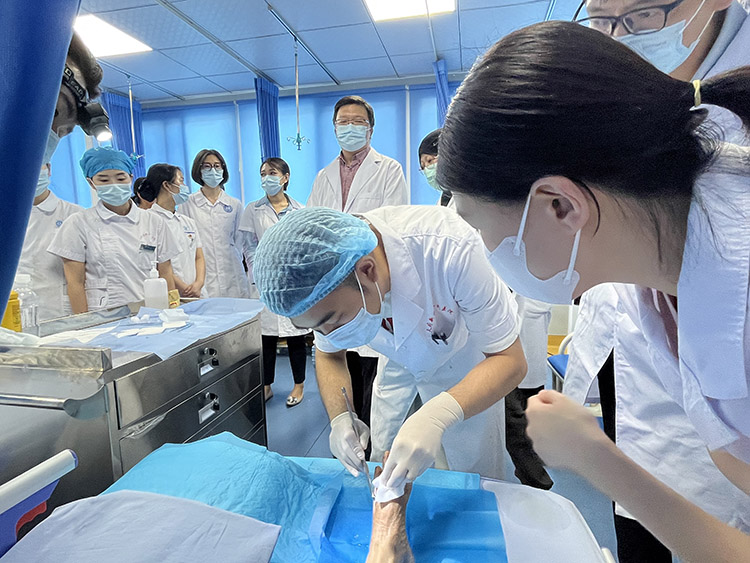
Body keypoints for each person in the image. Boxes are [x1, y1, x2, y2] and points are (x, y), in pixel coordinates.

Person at [438, 20, 750, 559]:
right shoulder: (658, 266)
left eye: (475, 224)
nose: (482, 248)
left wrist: (597, 459)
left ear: (560, 205)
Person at [565, 0, 750, 559]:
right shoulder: (603, 91)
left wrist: (598, 461)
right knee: (644, 518)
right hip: (642, 356)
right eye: (601, 18)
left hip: (724, 388)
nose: (619, 37)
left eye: (643, 13)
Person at [254, 206, 526, 488]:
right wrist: (340, 418)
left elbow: (510, 360)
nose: (330, 334)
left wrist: (438, 416)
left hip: (467, 362)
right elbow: (329, 354)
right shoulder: (327, 276)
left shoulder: (451, 249)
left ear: (367, 270)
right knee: (383, 462)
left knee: (474, 473)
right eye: (317, 328)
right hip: (397, 357)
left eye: (334, 320)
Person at [418, 128, 553, 489]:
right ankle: (532, 478)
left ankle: (537, 482)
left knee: (510, 411)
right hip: (469, 322)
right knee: (503, 411)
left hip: (497, 315)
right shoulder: (445, 204)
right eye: (425, 164)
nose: (430, 169)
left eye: (434, 161)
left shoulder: (486, 194)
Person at [307, 95, 410, 427]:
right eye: (343, 122)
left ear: (370, 129)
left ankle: (370, 438)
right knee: (337, 357)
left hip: (370, 279)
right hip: (332, 283)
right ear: (334, 127)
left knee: (372, 372)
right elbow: (312, 226)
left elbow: (390, 225)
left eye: (357, 122)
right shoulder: (323, 176)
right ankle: (348, 427)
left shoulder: (389, 169)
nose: (349, 127)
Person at [48, 147, 179, 313]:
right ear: (91, 183)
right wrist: (86, 323)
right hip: (103, 315)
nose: (114, 184)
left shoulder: (154, 222)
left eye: (120, 178)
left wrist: (173, 312)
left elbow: (166, 273)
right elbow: (75, 283)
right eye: (104, 180)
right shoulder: (78, 223)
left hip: (151, 311)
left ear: (131, 177)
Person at [239, 158, 310, 406]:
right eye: (263, 173)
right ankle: (266, 385)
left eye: (272, 172)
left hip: (292, 281)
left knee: (296, 335)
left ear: (285, 177)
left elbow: (304, 247)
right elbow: (248, 246)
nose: (266, 177)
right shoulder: (253, 209)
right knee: (266, 336)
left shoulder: (300, 210)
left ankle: (299, 385)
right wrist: (258, 273)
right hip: (265, 281)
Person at [16, 162, 82, 321]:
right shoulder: (7, 215)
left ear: (49, 169)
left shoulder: (75, 215)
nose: (30, 172)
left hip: (59, 311)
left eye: (37, 165)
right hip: (13, 310)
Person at [180, 149, 249, 299]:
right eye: (207, 166)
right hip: (202, 276)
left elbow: (239, 242)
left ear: (223, 169)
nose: (213, 170)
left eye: (217, 166)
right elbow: (185, 243)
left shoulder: (234, 204)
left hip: (232, 275)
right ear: (199, 170)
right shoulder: (188, 204)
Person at [138, 163, 206, 299]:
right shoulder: (148, 221)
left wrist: (198, 283)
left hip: (197, 292)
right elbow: (155, 262)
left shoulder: (187, 222)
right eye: (181, 180)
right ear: (167, 185)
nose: (184, 186)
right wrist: (184, 288)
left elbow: (198, 257)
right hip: (171, 294)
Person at [418, 128, 451, 206]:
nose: (427, 169)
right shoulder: (444, 200)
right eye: (423, 167)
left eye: (429, 160)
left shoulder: (470, 193)